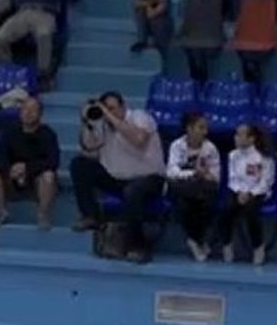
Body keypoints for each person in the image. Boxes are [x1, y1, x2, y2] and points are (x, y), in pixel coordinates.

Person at [70, 91, 166, 262]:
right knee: (80, 164)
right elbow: (88, 148)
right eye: (105, 108)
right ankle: (91, 215)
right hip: (116, 177)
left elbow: (138, 139)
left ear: (123, 107)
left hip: (149, 178)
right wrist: (87, 123)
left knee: (133, 191)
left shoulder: (140, 117)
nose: (108, 112)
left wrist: (109, 116)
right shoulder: (103, 125)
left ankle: (138, 245)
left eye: (112, 108)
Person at [0, 96, 59, 230]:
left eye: (32, 110)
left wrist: (27, 168)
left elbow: (53, 161)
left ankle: (43, 215)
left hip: (36, 178)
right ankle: (2, 212)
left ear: (40, 114)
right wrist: (10, 170)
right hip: (11, 177)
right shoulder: (9, 132)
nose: (28, 113)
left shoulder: (48, 134)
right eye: (24, 109)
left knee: (49, 176)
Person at [165, 112, 220, 262]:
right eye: (201, 127)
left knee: (204, 201)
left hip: (202, 188)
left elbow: (216, 177)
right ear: (189, 128)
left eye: (205, 128)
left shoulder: (210, 148)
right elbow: (172, 171)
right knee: (184, 199)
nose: (205, 131)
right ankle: (198, 241)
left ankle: (194, 239)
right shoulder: (177, 146)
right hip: (181, 186)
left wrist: (205, 176)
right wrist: (193, 173)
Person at [219, 123, 274, 266]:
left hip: (258, 191)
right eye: (235, 134)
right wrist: (239, 192)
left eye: (239, 135)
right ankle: (227, 245)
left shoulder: (264, 157)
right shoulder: (233, 155)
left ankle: (258, 247)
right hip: (237, 190)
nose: (235, 138)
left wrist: (251, 193)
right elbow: (232, 178)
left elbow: (266, 181)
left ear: (251, 139)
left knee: (251, 210)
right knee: (226, 209)